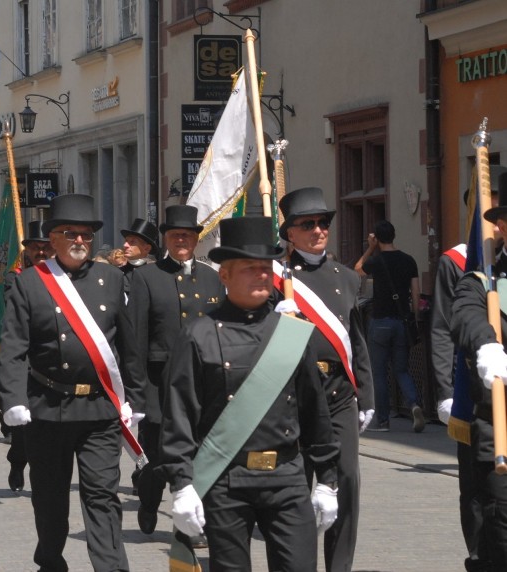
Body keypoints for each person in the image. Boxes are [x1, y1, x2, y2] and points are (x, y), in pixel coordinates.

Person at [159, 216, 340, 571]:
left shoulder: (291, 332)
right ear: (224, 275)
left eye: (265, 268)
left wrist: (328, 480)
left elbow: (314, 412)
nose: (260, 275)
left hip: (287, 475)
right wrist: (181, 484)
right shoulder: (200, 334)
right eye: (248, 268)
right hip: (227, 479)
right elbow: (179, 415)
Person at [0, 194, 145, 571]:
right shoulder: (31, 283)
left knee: (102, 496)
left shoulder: (112, 279)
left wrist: (136, 401)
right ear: (53, 239)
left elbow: (129, 346)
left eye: (87, 234)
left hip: (99, 410)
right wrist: (13, 400)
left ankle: (111, 567)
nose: (80, 240)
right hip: (47, 409)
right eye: (71, 233)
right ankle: (50, 560)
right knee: (50, 500)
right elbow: (13, 348)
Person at [277, 187, 374, 572]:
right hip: (295, 394)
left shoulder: (347, 278)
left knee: (347, 481)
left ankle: (340, 566)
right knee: (297, 485)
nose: (319, 230)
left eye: (323, 223)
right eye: (308, 224)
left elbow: (357, 342)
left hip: (337, 392)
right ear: (290, 233)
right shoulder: (276, 277)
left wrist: (366, 396)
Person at [127, 204, 223, 537]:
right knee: (156, 458)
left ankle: (190, 528)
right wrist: (135, 394)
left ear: (197, 239)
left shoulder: (213, 278)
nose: (181, 240)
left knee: (199, 457)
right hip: (159, 384)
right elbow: (136, 339)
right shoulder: (145, 277)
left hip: (203, 385)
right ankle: (149, 500)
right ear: (165, 239)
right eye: (174, 235)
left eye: (188, 235)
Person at [451, 174, 507, 566]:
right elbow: (463, 315)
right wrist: (487, 342)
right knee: (499, 534)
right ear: (501, 225)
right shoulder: (483, 282)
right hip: (501, 430)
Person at [0, 220, 55, 491]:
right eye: (35, 248)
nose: (41, 252)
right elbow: (14, 314)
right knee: (22, 426)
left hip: (53, 359)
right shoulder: (14, 278)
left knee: (48, 425)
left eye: (45, 248)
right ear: (27, 250)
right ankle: (17, 462)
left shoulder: (60, 277)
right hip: (25, 358)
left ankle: (44, 475)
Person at [355, 219, 424, 432]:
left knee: (379, 373)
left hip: (380, 321)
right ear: (394, 235)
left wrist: (370, 247)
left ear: (377, 237)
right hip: (402, 322)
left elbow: (358, 269)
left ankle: (383, 421)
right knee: (401, 369)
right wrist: (415, 318)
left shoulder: (376, 261)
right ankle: (414, 404)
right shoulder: (408, 260)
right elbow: (415, 292)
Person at [119, 218, 159, 295]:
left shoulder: (157, 275)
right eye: (126, 241)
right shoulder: (118, 274)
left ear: (147, 248)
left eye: (132, 242)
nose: (125, 245)